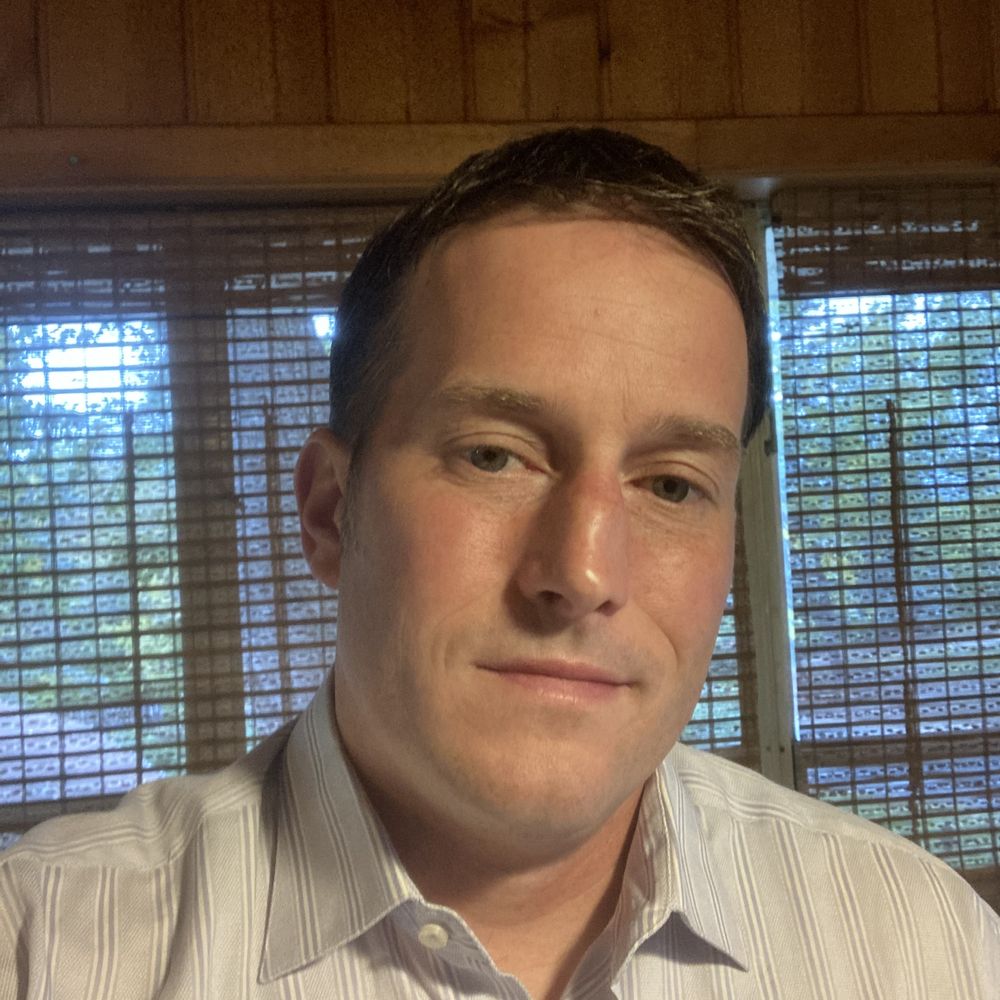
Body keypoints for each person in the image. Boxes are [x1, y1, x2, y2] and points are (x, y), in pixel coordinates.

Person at [0, 128, 997, 999]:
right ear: (330, 511)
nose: (582, 573)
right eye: (493, 456)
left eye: (670, 483)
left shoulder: (925, 945)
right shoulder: (41, 948)